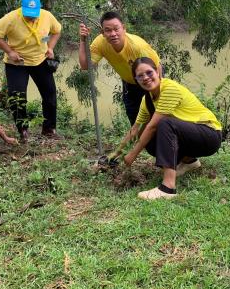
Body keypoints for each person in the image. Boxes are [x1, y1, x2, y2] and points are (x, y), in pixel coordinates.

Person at [110, 57, 222, 200]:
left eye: (149, 72)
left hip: (210, 135)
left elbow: (152, 126)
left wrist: (132, 154)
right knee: (150, 141)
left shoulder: (169, 88)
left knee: (164, 124)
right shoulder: (147, 100)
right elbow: (135, 129)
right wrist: (116, 153)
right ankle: (190, 161)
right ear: (136, 80)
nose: (146, 78)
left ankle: (168, 188)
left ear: (158, 71)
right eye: (140, 76)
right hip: (192, 137)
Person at [0, 0, 62, 141]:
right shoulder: (11, 18)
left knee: (50, 94)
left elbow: (57, 31)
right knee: (17, 97)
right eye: (28, 14)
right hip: (17, 63)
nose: (32, 17)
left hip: (40, 60)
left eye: (34, 14)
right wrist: (9, 51)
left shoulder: (46, 16)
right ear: (22, 9)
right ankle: (23, 131)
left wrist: (50, 48)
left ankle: (49, 129)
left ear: (39, 8)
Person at [78, 11, 162, 124]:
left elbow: (157, 68)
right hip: (130, 83)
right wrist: (83, 40)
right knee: (135, 119)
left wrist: (158, 94)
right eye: (108, 30)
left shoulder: (138, 46)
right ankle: (139, 140)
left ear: (124, 28)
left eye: (116, 29)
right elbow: (85, 65)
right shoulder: (100, 43)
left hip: (150, 79)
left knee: (156, 118)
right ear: (102, 32)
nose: (113, 34)